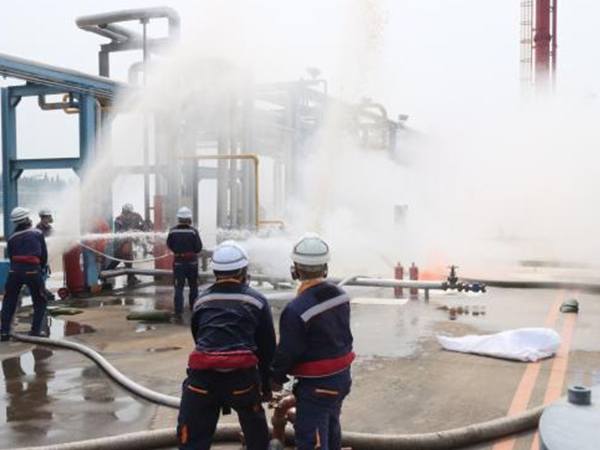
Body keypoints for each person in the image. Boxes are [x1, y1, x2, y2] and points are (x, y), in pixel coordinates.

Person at [177, 240, 276, 450]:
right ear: (243, 271)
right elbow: (267, 348)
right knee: (256, 430)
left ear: (215, 271)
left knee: (192, 437)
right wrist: (266, 386)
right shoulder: (257, 301)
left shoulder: (201, 300)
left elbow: (198, 336)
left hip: (202, 381)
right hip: (242, 380)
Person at [270, 233, 354, 450]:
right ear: (325, 268)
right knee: (331, 425)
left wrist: (274, 379)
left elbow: (288, 351)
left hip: (317, 387)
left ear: (295, 270)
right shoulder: (341, 296)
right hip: (341, 380)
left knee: (312, 440)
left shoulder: (296, 309)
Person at [1, 207, 48, 341]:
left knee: (9, 301)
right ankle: (35, 331)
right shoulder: (37, 233)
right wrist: (40, 269)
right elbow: (43, 255)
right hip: (32, 269)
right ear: (27, 219)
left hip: (15, 271)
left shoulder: (11, 237)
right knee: (39, 300)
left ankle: (4, 332)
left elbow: (11, 256)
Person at [166, 207, 203, 322]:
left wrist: (178, 251)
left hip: (178, 263)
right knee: (194, 286)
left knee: (179, 287)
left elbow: (169, 244)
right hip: (192, 263)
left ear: (179, 218)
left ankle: (178, 312)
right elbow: (198, 247)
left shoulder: (172, 231)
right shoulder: (193, 231)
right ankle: (194, 308)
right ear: (189, 218)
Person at [105, 203, 145, 286]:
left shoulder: (131, 218)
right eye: (128, 212)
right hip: (120, 244)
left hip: (126, 244)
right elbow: (118, 233)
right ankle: (104, 274)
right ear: (124, 212)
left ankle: (131, 278)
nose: (129, 215)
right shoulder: (118, 220)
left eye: (129, 213)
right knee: (120, 260)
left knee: (126, 260)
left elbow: (140, 227)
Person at [35, 208, 55, 301]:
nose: (50, 218)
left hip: (47, 254)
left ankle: (42, 289)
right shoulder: (39, 228)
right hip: (41, 255)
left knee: (44, 273)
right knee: (41, 273)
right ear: (43, 218)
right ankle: (41, 290)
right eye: (48, 216)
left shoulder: (49, 228)